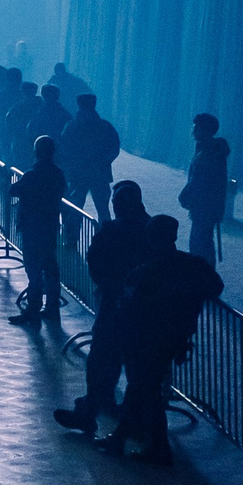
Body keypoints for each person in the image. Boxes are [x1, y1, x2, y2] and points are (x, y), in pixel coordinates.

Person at [100, 217, 222, 463]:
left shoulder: (146, 271)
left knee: (144, 387)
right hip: (174, 337)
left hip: (144, 338)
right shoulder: (192, 266)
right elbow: (215, 286)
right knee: (145, 388)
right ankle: (127, 437)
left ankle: (150, 445)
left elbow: (128, 304)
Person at [54, 184, 153, 437]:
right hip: (145, 312)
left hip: (113, 305)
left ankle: (90, 411)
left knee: (102, 359)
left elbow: (94, 259)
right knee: (139, 369)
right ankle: (137, 421)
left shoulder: (112, 230)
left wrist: (108, 286)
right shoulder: (151, 230)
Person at [6, 136, 67, 326]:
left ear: (36, 152)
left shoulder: (32, 175)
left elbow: (13, 190)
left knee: (33, 270)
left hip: (32, 228)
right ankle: (52, 308)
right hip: (50, 226)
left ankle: (33, 309)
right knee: (50, 268)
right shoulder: (58, 174)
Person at [59, 94, 120, 229]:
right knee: (103, 209)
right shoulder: (105, 126)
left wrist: (73, 163)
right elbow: (114, 148)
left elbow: (64, 148)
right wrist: (104, 161)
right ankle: (106, 236)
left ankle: (71, 236)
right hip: (100, 173)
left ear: (78, 105)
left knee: (75, 208)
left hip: (77, 174)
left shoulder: (71, 126)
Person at [180, 114, 230, 262]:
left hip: (206, 205)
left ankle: (204, 272)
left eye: (197, 128)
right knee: (201, 241)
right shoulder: (205, 148)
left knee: (200, 244)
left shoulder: (210, 153)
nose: (193, 132)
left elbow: (201, 181)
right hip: (204, 205)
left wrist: (186, 195)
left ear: (206, 130)